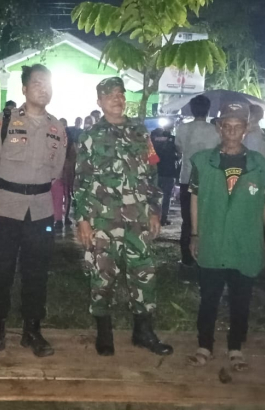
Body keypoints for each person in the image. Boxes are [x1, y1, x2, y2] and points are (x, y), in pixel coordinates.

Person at [75, 77, 171, 357]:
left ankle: (144, 331)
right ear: (99, 102)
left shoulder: (141, 133)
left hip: (138, 219)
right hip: (103, 220)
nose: (116, 99)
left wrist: (154, 210)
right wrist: (82, 220)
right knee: (102, 275)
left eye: (120, 94)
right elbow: (80, 181)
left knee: (144, 274)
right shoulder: (90, 136)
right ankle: (104, 332)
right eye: (109, 95)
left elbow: (152, 173)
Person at [0, 64, 66, 362]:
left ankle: (32, 330)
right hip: (4, 207)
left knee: (37, 272)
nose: (44, 89)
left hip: (40, 211)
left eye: (48, 84)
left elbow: (56, 171)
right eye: (37, 83)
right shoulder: (3, 122)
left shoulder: (58, 128)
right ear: (25, 89)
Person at [186, 102, 265, 371]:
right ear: (219, 127)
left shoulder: (259, 165)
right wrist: (195, 234)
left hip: (245, 242)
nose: (232, 131)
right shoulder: (203, 161)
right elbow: (195, 199)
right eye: (227, 126)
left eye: (238, 126)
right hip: (213, 239)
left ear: (246, 129)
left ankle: (236, 347)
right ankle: (204, 345)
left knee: (241, 299)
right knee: (209, 297)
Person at [175, 96, 219, 266]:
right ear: (208, 110)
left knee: (187, 219)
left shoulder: (182, 128)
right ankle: (205, 256)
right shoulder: (216, 130)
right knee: (208, 218)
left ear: (192, 110)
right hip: (209, 180)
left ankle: (187, 258)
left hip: (187, 178)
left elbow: (179, 149)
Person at [151, 124, 179, 226]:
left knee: (153, 196)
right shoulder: (172, 140)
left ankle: (153, 217)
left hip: (155, 172)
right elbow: (178, 153)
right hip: (169, 171)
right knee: (166, 197)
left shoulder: (152, 139)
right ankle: (163, 218)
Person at [50, 118, 70, 232]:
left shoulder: (69, 139)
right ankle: (56, 219)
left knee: (59, 197)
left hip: (61, 175)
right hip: (52, 174)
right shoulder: (52, 139)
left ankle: (59, 219)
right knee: (54, 198)